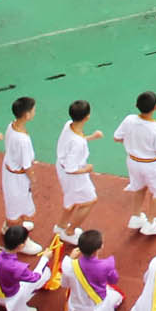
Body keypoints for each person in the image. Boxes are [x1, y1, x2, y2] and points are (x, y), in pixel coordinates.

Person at [113, 90, 156, 235]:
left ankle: (136, 216)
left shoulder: (129, 119)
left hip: (132, 161)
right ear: (155, 107)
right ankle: (150, 222)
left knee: (139, 187)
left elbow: (117, 137)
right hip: (151, 165)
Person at [60, 227, 124, 311]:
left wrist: (70, 258)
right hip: (95, 305)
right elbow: (114, 280)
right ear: (99, 249)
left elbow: (64, 284)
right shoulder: (106, 265)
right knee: (118, 296)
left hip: (76, 304)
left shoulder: (69, 264)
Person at [54, 99, 102, 241]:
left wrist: (91, 137)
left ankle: (61, 226)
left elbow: (73, 142)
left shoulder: (68, 125)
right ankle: (69, 232)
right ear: (87, 117)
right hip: (73, 173)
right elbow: (71, 168)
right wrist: (87, 169)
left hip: (62, 167)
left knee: (71, 198)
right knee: (90, 200)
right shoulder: (78, 143)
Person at [0, 96, 42, 254]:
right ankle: (19, 239)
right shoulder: (22, 140)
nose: (34, 112)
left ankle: (7, 227)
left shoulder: (12, 126)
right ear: (27, 114)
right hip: (17, 177)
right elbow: (26, 166)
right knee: (16, 208)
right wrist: (33, 178)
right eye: (33, 110)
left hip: (10, 171)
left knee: (15, 203)